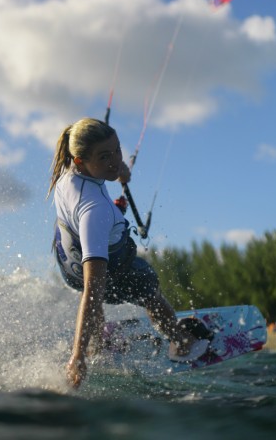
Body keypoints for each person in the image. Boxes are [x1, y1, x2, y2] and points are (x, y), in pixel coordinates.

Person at [48, 118, 209, 388]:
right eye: (104, 156)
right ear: (80, 160)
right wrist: (76, 356)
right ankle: (180, 341)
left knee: (97, 288)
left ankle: (96, 346)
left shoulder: (68, 174)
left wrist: (117, 170)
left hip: (68, 266)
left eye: (116, 151)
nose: (114, 161)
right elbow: (92, 289)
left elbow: (101, 179)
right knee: (147, 286)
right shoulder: (95, 210)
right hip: (103, 273)